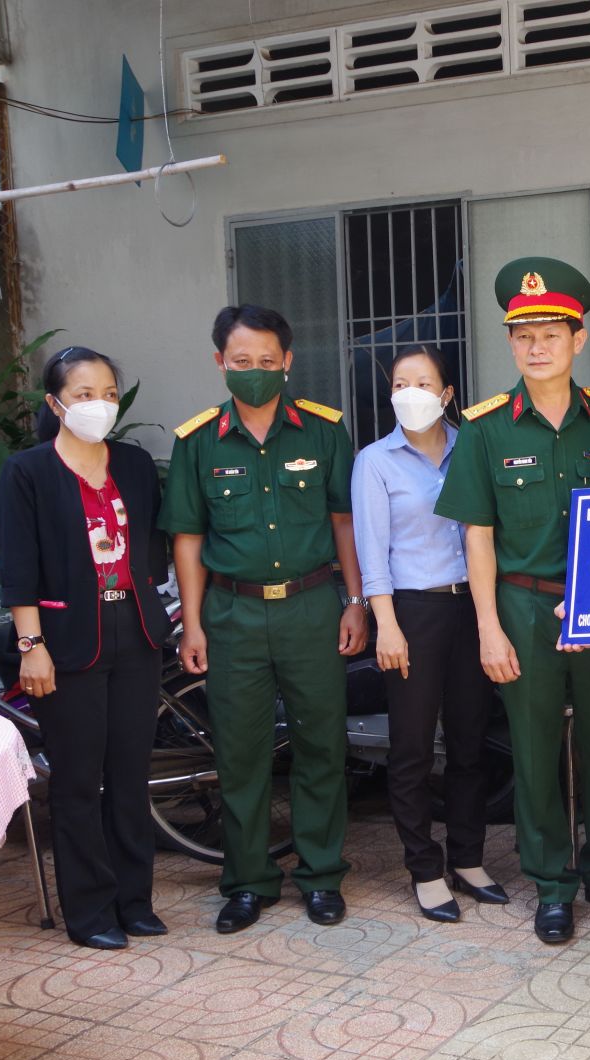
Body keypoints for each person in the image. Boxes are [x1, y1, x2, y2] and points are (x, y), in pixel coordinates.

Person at [435, 257, 590, 945]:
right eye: (523, 335)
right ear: (510, 343)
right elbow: (478, 536)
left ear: (579, 339)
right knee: (534, 750)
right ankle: (552, 884)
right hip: (523, 607)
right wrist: (487, 629)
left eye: (551, 334)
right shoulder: (484, 429)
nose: (537, 347)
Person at [161, 305, 368, 934]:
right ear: (220, 362)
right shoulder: (196, 441)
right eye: (242, 362)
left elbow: (344, 522)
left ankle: (322, 875)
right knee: (242, 754)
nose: (255, 372)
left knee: (320, 746)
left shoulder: (325, 432)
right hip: (232, 614)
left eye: (267, 362)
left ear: (289, 362)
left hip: (311, 607)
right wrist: (192, 624)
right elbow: (188, 540)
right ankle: (248, 881)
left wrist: (355, 601)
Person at [0, 347, 173, 949]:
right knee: (78, 781)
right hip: (66, 640)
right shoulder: (29, 472)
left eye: (106, 392)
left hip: (138, 634)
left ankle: (135, 901)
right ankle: (91, 913)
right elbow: (19, 569)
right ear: (55, 403)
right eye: (81, 394)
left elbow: (151, 544)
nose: (97, 404)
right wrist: (31, 644)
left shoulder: (133, 463)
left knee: (129, 774)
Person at [352, 345, 501, 923]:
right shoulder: (375, 460)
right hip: (410, 611)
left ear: (446, 394)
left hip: (472, 607)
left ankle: (468, 857)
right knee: (412, 748)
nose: (408, 392)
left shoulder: (473, 448)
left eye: (422, 382)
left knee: (469, 741)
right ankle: (424, 867)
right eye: (399, 383)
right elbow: (372, 550)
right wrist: (385, 623)